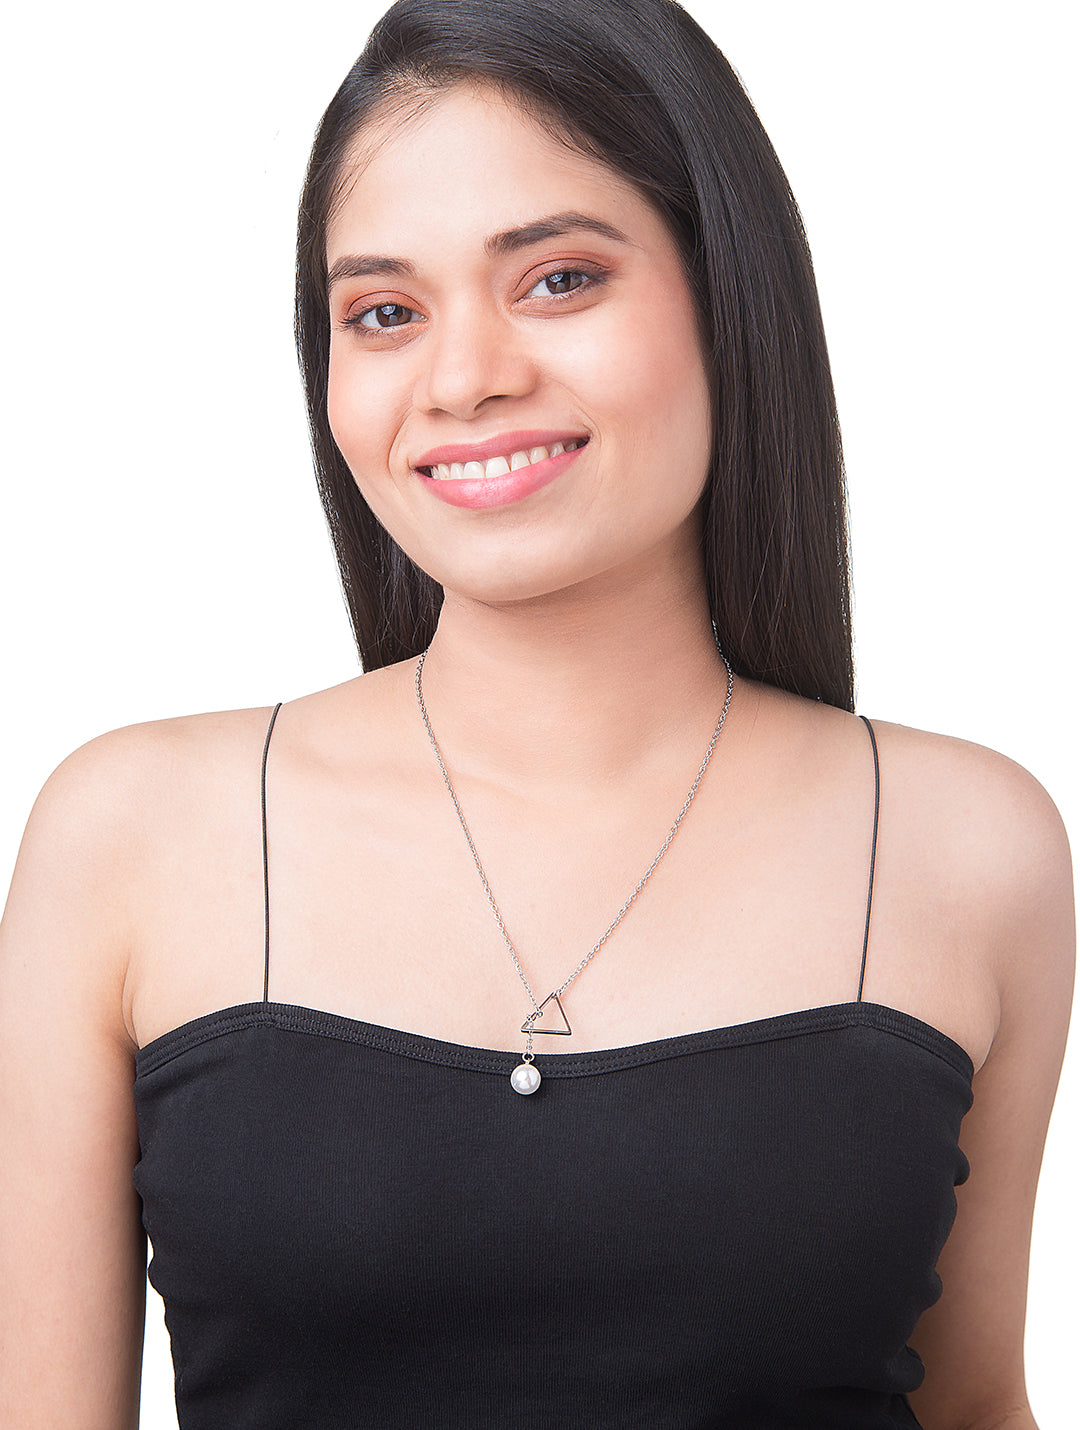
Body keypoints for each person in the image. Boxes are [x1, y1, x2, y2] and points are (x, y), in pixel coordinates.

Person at [0, 0, 1073, 1426]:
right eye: (385, 312)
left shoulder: (966, 844)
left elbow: (976, 1401)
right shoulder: (129, 836)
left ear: (727, 293)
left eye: (559, 280)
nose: (464, 379)